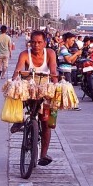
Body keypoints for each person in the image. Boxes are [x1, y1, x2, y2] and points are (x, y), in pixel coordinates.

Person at [11, 30, 59, 166]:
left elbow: (54, 71)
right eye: (33, 42)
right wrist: (13, 81)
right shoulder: (25, 54)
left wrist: (56, 86)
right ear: (30, 42)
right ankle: (19, 119)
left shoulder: (50, 53)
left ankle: (43, 154)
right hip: (30, 89)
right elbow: (18, 70)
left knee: (46, 122)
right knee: (16, 92)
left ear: (45, 43)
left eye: (39, 42)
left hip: (45, 90)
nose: (36, 45)